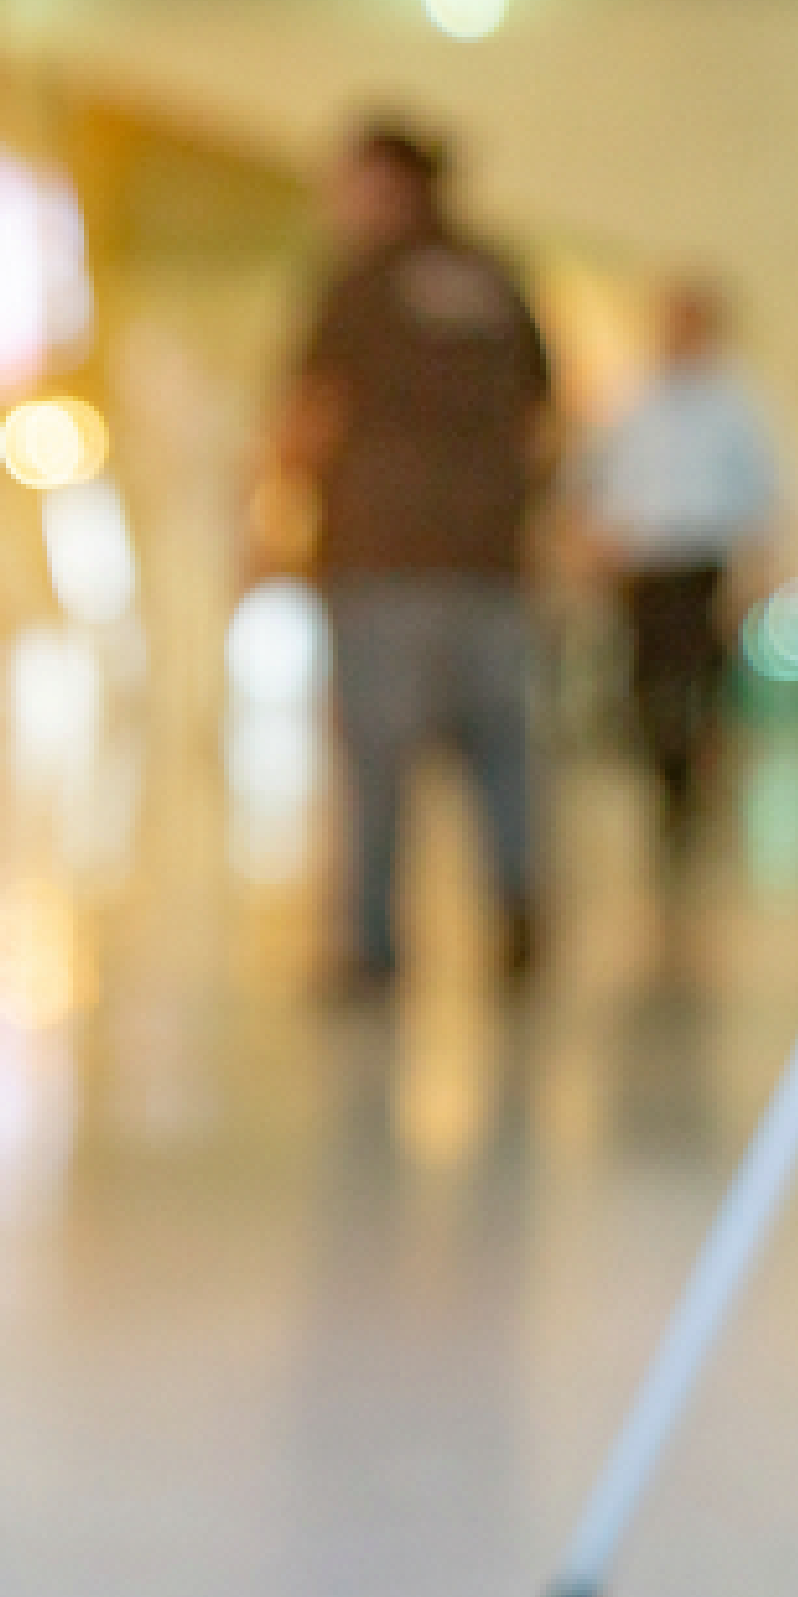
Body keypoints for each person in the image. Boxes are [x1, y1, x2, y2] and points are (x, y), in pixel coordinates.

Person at [276, 121, 555, 994]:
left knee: (376, 761)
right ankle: (515, 911)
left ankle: (372, 947)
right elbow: (544, 420)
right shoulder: (498, 277)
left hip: (381, 557)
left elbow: (311, 416)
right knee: (501, 752)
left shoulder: (357, 284)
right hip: (490, 560)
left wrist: (271, 522)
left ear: (390, 185)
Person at [573, 280, 781, 880]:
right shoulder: (627, 395)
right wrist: (591, 538)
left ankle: (689, 786)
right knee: (646, 679)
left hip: (704, 561)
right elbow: (595, 474)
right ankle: (664, 779)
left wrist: (759, 564)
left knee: (699, 680)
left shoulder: (738, 401)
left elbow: (764, 488)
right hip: (642, 562)